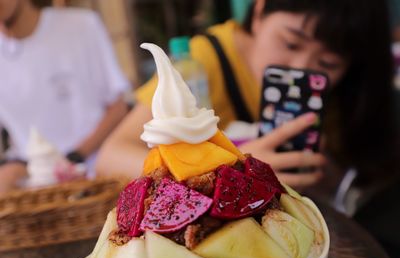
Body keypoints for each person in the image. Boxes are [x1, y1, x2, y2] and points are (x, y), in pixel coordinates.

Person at [96, 0, 397, 190]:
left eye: (328, 64)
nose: (302, 68)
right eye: (291, 43)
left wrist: (323, 172)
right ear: (259, 12)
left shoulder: (341, 92)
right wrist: (232, 168)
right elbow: (110, 157)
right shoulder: (202, 61)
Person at [0, 0, 130, 193]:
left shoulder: (81, 26)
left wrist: (74, 158)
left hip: (96, 163)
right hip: (33, 179)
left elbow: (117, 108)